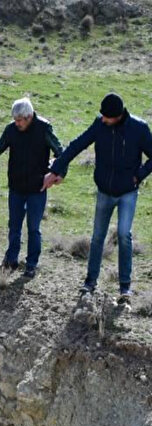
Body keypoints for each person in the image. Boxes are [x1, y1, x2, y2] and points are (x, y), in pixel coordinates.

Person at [43, 93, 152, 299]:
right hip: (104, 191)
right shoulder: (100, 125)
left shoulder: (139, 129)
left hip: (128, 192)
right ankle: (90, 282)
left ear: (118, 116)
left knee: (123, 235)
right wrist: (56, 169)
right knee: (97, 237)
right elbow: (77, 145)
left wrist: (138, 176)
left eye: (107, 117)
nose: (102, 119)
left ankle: (125, 287)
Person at [0, 97, 63, 278]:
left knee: (33, 228)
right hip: (16, 188)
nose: (16, 124)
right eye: (15, 120)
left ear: (29, 116)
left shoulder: (44, 129)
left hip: (37, 189)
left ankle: (31, 265)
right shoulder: (11, 130)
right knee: (14, 226)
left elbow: (60, 152)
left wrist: (56, 172)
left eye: (19, 121)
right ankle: (11, 261)